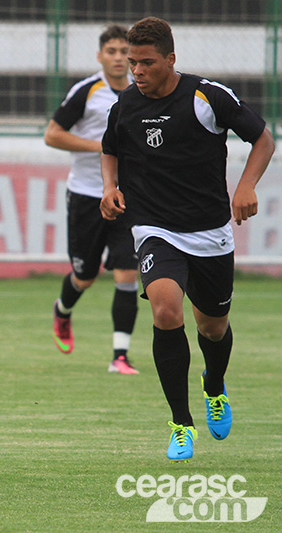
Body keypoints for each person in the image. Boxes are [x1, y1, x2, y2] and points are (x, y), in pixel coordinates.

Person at [100, 18, 274, 462]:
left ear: (170, 59)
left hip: (210, 231)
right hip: (154, 227)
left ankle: (214, 387)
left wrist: (246, 187)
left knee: (212, 328)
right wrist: (109, 187)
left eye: (146, 62)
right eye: (133, 62)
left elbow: (263, 139)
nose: (136, 70)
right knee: (164, 309)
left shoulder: (207, 96)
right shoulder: (125, 104)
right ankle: (181, 424)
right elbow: (110, 149)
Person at [45, 24, 140, 375]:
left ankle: (120, 356)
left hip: (126, 197)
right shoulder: (87, 91)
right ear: (100, 56)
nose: (118, 58)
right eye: (111, 52)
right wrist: (101, 147)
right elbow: (52, 135)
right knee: (84, 276)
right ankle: (63, 310)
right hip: (87, 195)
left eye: (124, 52)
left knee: (127, 272)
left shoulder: (143, 93)